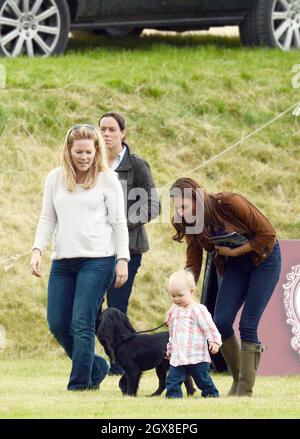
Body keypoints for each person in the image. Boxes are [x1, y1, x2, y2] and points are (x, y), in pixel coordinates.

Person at [30, 124, 130, 391]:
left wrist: (123, 259)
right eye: (79, 152)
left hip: (99, 260)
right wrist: (37, 250)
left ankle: (79, 385)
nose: (84, 157)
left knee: (82, 322)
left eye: (89, 152)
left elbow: (119, 222)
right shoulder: (55, 178)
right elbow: (47, 217)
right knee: (58, 323)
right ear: (68, 151)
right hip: (63, 261)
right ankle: (96, 367)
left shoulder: (107, 179)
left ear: (96, 151)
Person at [169, 177, 281, 397]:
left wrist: (235, 251)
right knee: (220, 320)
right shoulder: (190, 222)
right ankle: (237, 379)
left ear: (197, 198)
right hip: (234, 266)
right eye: (176, 208)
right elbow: (194, 261)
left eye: (184, 206)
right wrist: (183, 291)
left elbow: (268, 234)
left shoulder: (230, 203)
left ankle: (244, 390)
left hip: (264, 260)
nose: (180, 212)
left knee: (248, 324)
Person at [98, 112, 160, 375]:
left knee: (116, 309)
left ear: (123, 133)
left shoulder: (137, 166)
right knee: (91, 310)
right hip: (94, 248)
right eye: (102, 129)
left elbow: (153, 205)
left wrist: (121, 222)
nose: (106, 134)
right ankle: (109, 360)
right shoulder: (93, 163)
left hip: (129, 249)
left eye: (112, 129)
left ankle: (120, 362)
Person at [165, 270, 221, 399]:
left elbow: (210, 328)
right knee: (172, 380)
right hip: (179, 357)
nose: (176, 299)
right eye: (173, 296)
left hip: (197, 357)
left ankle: (211, 394)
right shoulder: (174, 313)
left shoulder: (198, 310)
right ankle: (173, 397)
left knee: (203, 380)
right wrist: (170, 349)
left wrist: (214, 341)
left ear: (192, 291)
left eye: (180, 295)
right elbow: (173, 335)